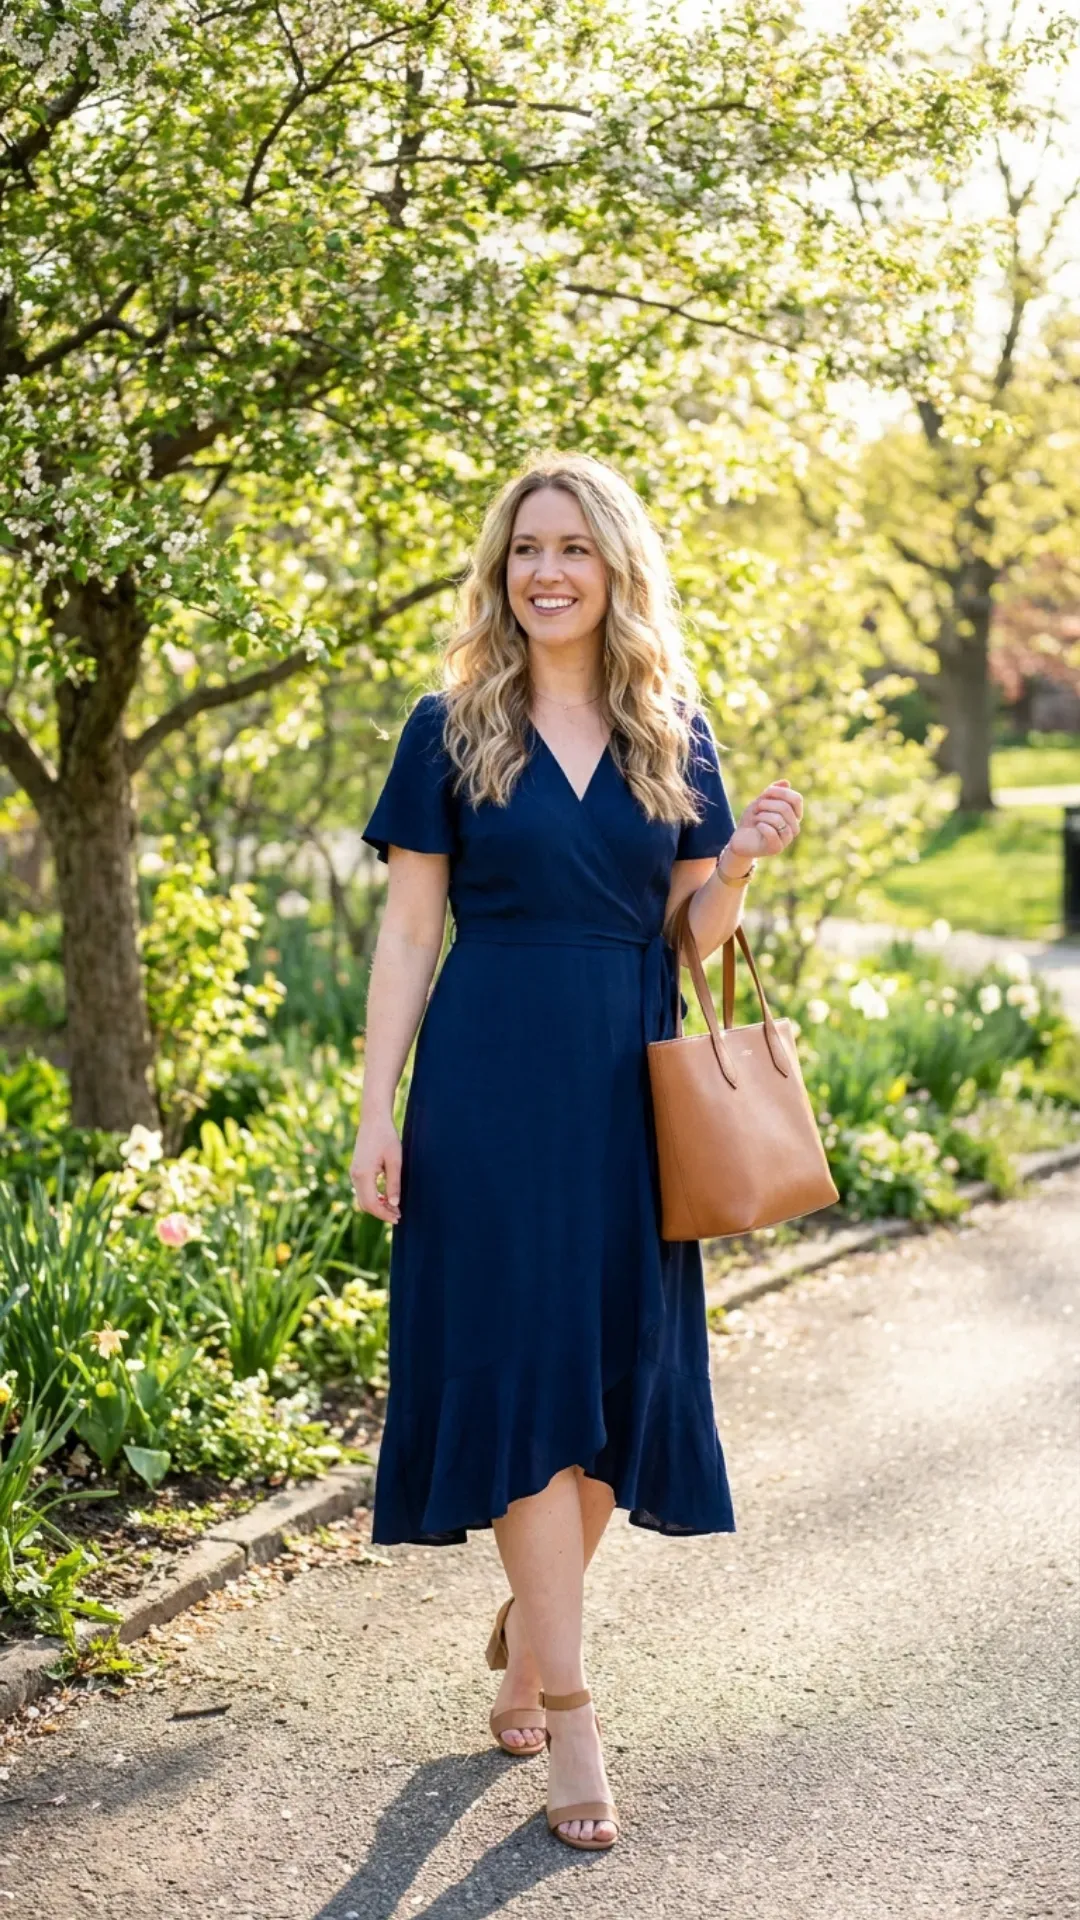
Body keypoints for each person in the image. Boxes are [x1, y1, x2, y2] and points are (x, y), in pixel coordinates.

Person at [351, 451, 803, 1852]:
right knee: (524, 1380)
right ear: (504, 569)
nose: (547, 570)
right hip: (487, 1091)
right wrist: (377, 1109)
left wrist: (735, 872)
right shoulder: (449, 724)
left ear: (615, 568)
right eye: (525, 547)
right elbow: (412, 933)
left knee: (612, 1398)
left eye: (573, 549)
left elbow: (688, 934)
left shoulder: (677, 729)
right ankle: (573, 1703)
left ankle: (524, 1613)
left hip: (627, 1090)